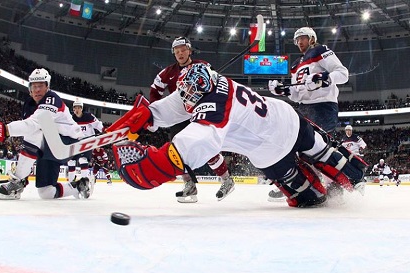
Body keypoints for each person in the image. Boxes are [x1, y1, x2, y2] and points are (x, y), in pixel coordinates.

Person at [111, 63, 366, 208]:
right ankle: (353, 179)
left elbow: (195, 143)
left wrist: (152, 168)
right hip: (287, 120)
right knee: (325, 153)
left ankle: (345, 183)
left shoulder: (214, 107)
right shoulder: (210, 83)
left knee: (310, 198)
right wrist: (143, 118)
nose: (186, 97)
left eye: (189, 92)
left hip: (270, 152)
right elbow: (179, 101)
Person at [0, 68, 90, 200]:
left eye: (40, 86)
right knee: (46, 192)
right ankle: (78, 186)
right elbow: (30, 133)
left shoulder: (52, 99)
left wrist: (4, 130)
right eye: (34, 86)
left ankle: (16, 182)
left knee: (34, 129)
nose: (37, 90)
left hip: (67, 144)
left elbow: (34, 125)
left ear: (47, 87)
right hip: (51, 147)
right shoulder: (29, 104)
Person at [267, 26, 349, 201]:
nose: (299, 42)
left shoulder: (321, 51)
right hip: (304, 108)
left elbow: (343, 74)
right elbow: (297, 95)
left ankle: (337, 187)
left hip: (323, 106)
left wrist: (324, 78)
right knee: (296, 149)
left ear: (312, 38)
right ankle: (304, 186)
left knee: (319, 149)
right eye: (297, 40)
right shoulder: (296, 65)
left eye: (302, 38)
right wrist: (283, 91)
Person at [149, 36, 234, 203]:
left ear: (189, 50)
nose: (180, 54)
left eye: (183, 50)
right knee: (176, 152)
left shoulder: (201, 65)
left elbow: (217, 84)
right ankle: (189, 186)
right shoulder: (168, 72)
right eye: (177, 51)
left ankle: (227, 180)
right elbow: (155, 90)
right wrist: (159, 109)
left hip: (199, 112)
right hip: (178, 117)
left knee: (207, 147)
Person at [67, 99, 104, 183]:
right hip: (77, 142)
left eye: (78, 108)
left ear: (81, 108)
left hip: (88, 142)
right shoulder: (72, 119)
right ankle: (71, 181)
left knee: (82, 160)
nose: (76, 110)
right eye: (75, 108)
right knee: (71, 161)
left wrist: (104, 131)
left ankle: (84, 181)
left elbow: (98, 124)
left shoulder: (88, 116)